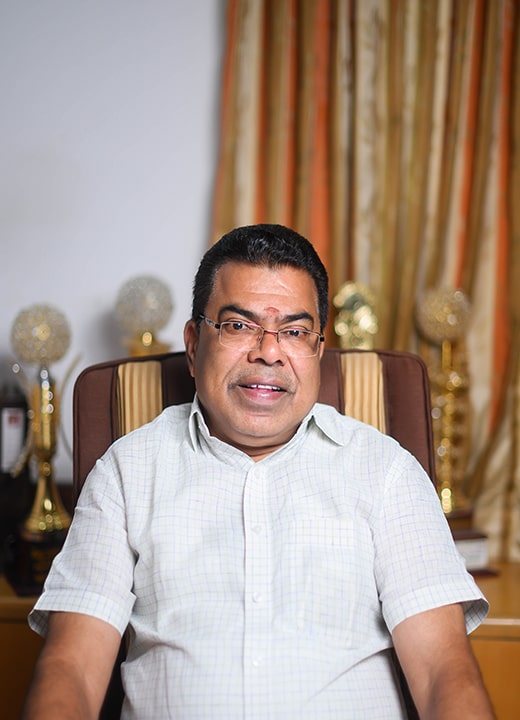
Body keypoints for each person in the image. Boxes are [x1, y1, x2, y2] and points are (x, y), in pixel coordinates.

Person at [23, 224, 495, 719]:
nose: (269, 352)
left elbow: (443, 671)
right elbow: (71, 668)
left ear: (317, 350)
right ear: (193, 344)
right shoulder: (127, 471)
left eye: (295, 331)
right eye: (238, 326)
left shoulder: (385, 470)